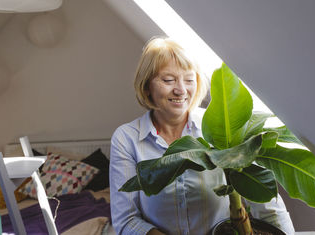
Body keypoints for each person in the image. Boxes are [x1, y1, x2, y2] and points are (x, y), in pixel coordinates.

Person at [109, 37, 295, 235]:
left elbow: (268, 207)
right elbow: (126, 220)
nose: (181, 90)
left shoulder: (220, 128)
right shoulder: (127, 138)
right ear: (147, 86)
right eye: (168, 80)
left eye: (189, 80)